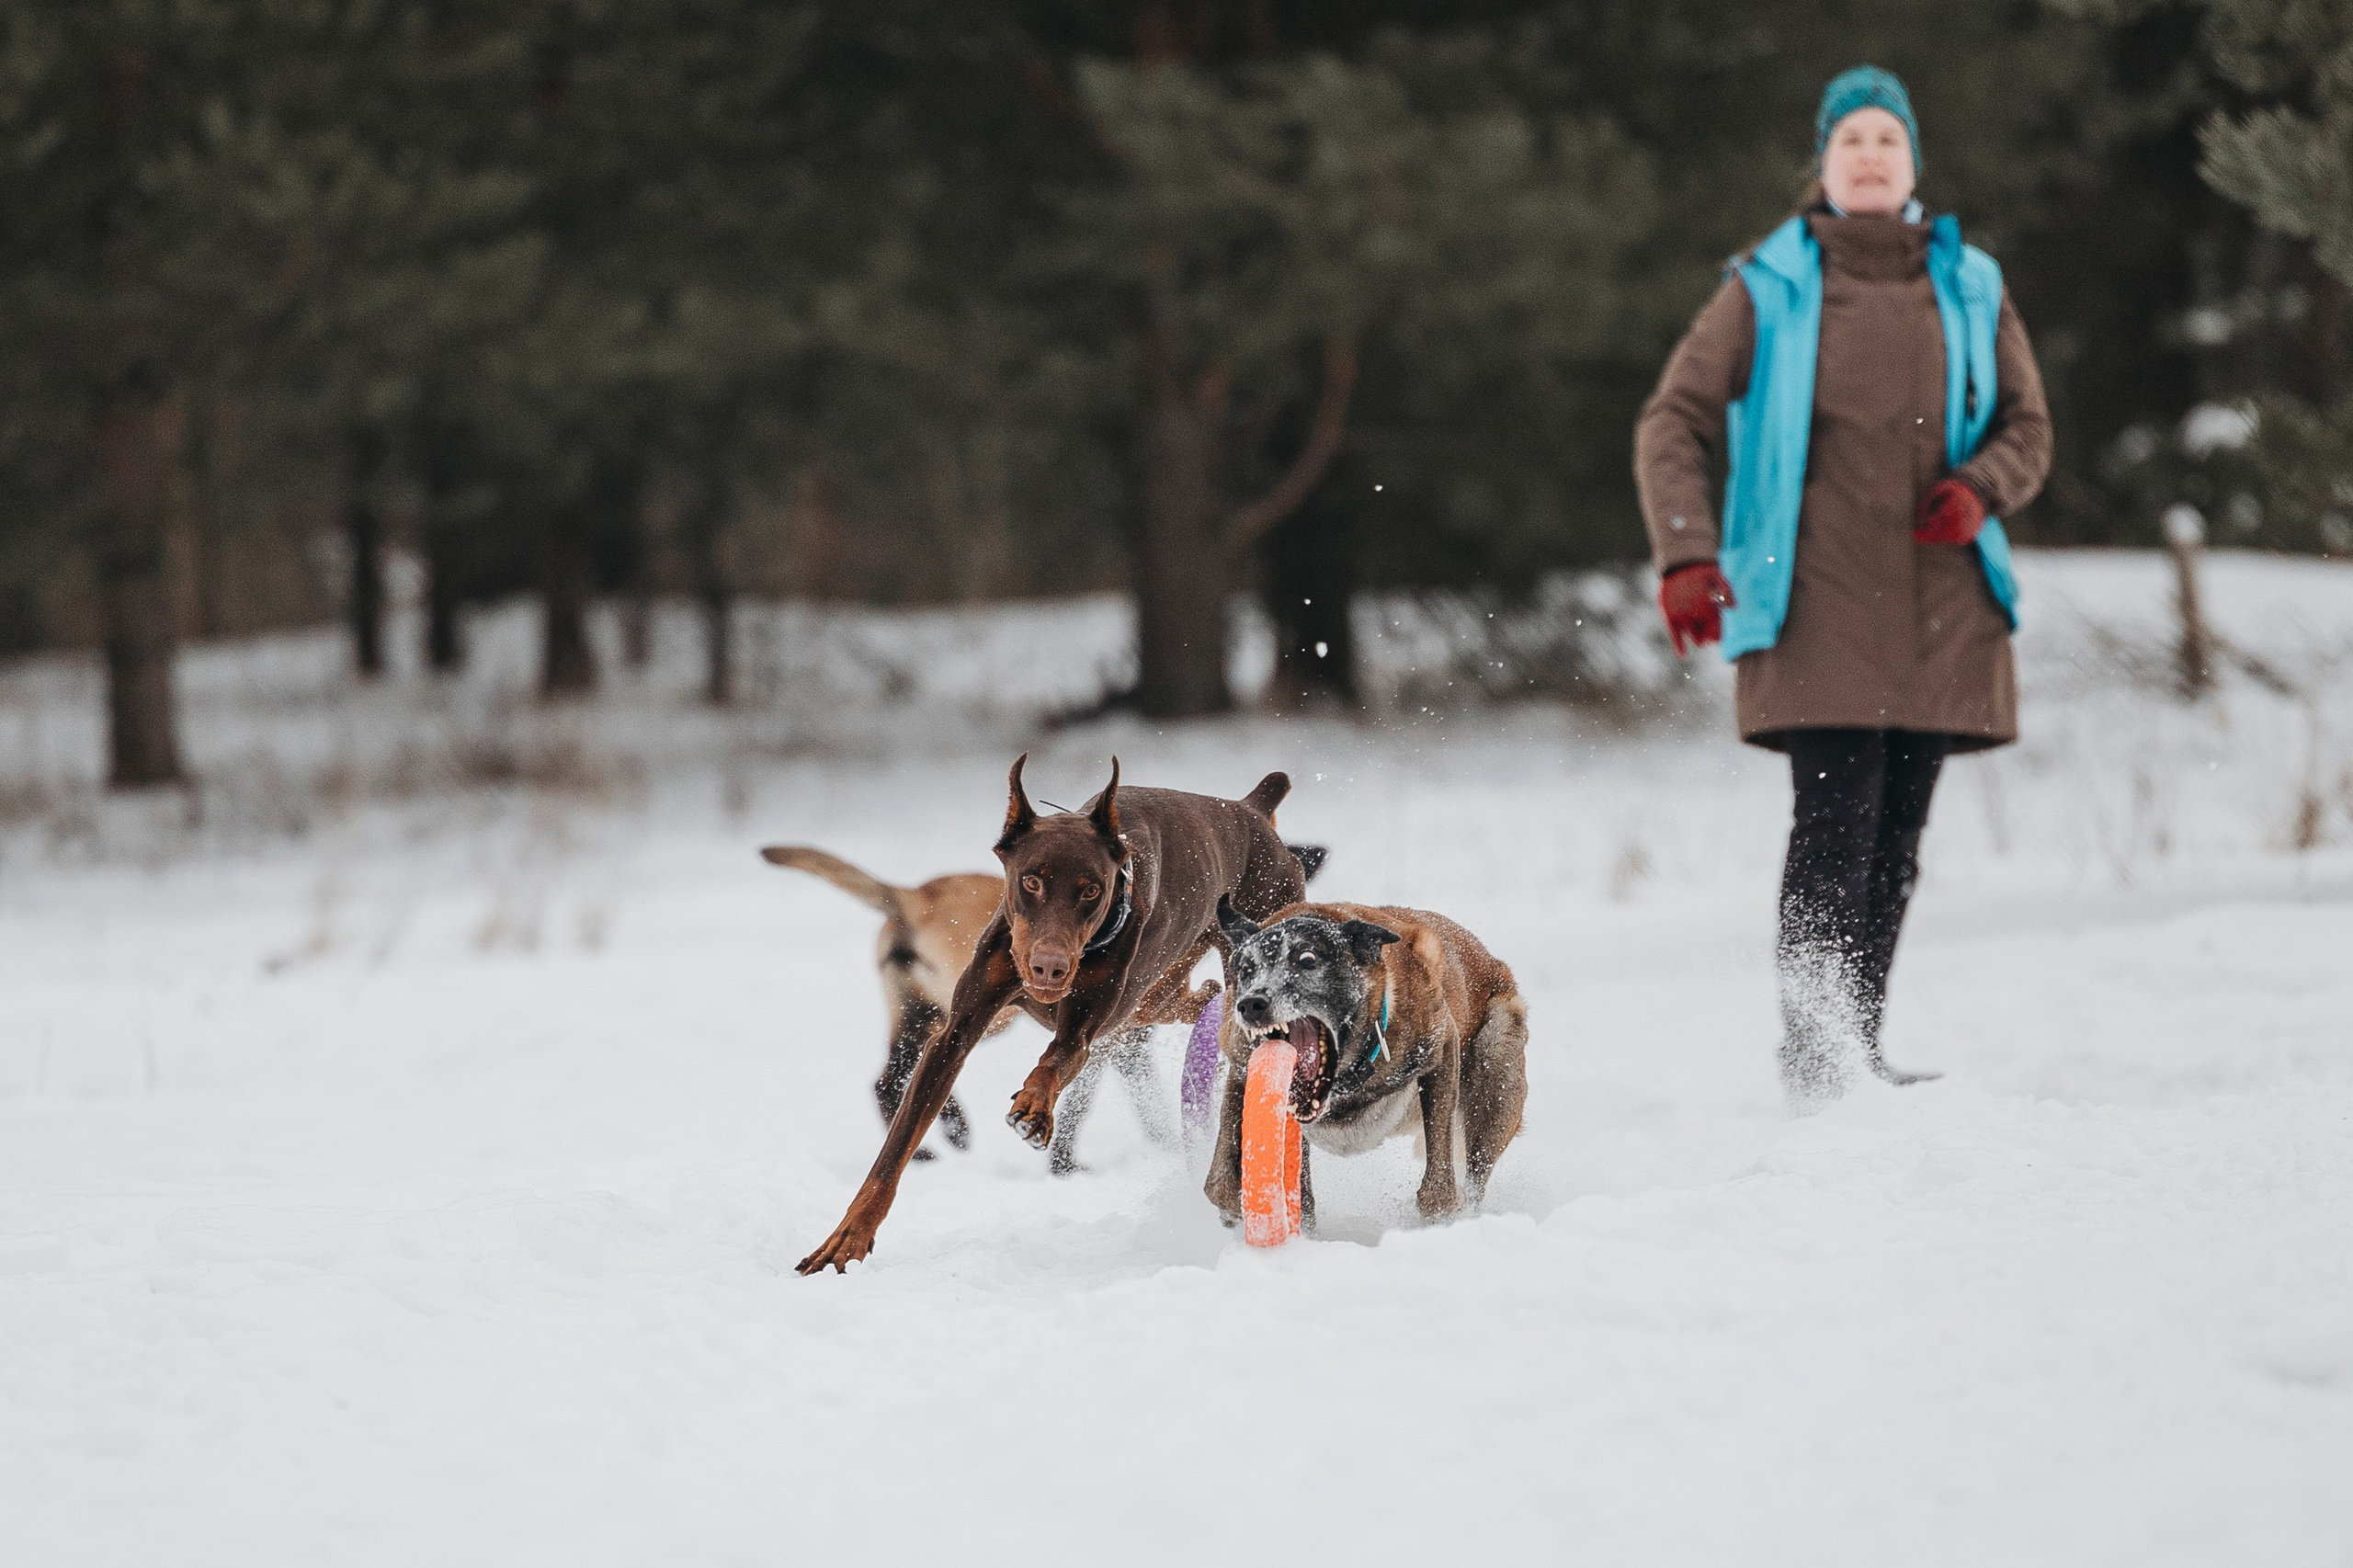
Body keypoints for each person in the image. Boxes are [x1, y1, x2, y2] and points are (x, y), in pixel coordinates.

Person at [1632, 66, 2052, 1108]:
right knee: (1835, 820)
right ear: (1821, 163)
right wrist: (1687, 552)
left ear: (1913, 163)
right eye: (1850, 139)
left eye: (1887, 139)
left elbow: (2028, 428)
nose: (1869, 153)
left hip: (1941, 596)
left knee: (1897, 835)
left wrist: (1980, 488)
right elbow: (1672, 419)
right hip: (1810, 593)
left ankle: (1852, 1045)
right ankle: (1815, 1054)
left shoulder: (1973, 283)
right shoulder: (1764, 283)